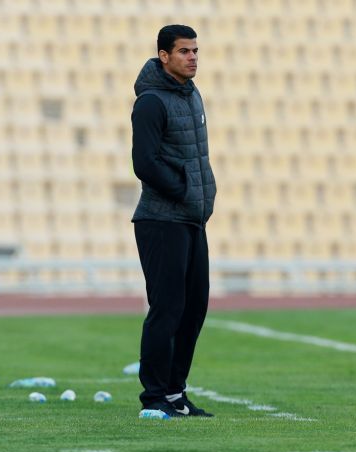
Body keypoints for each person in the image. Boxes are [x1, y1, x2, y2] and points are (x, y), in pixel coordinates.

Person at [131, 25, 216, 417]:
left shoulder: (192, 94)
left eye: (195, 50)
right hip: (161, 219)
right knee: (167, 308)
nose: (192, 57)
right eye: (184, 51)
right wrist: (184, 189)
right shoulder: (151, 102)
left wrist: (199, 196)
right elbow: (144, 162)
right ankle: (154, 396)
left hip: (192, 218)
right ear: (164, 56)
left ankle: (175, 393)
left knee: (194, 307)